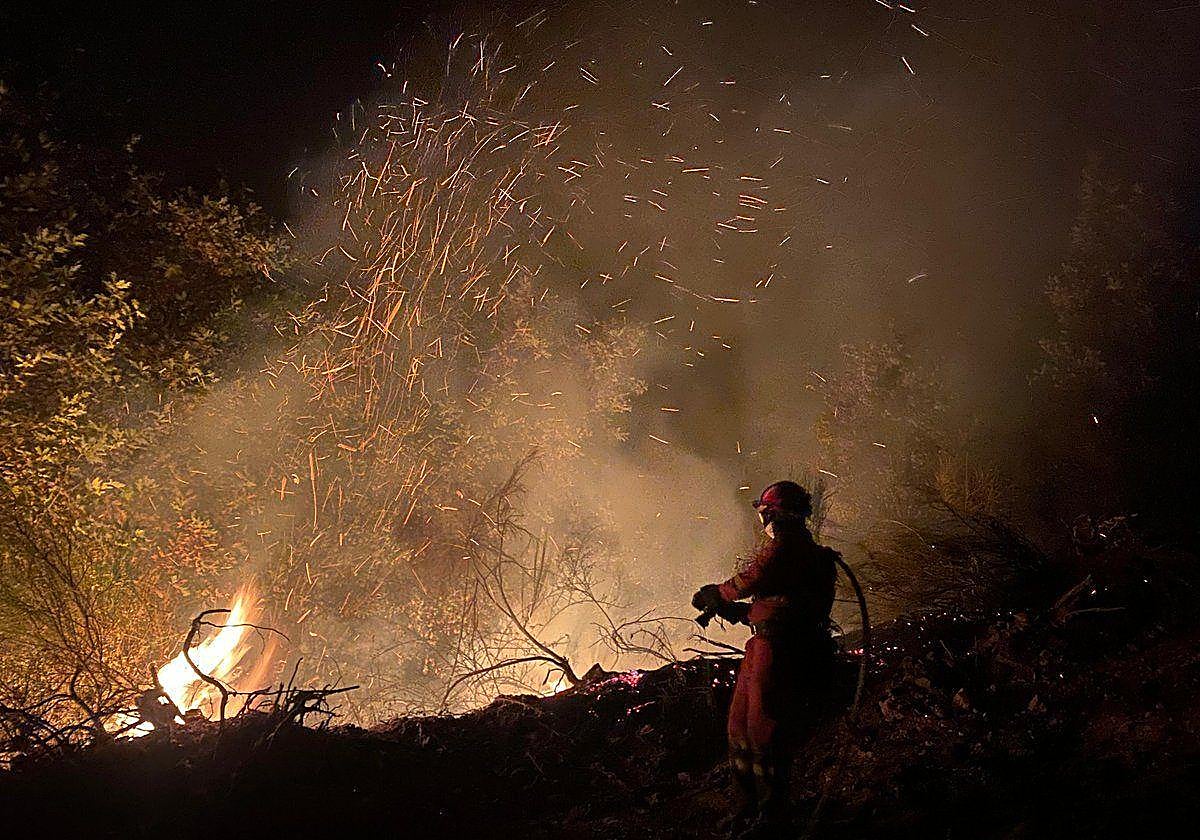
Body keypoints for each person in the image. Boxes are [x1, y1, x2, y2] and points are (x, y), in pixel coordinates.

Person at [692, 480, 837, 834]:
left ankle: (772, 814)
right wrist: (738, 613)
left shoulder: (787, 547)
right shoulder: (796, 551)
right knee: (738, 726)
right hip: (763, 644)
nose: (763, 519)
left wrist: (719, 594)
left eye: (765, 512)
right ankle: (749, 806)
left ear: (775, 514)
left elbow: (753, 579)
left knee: (762, 728)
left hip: (779, 649)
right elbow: (777, 604)